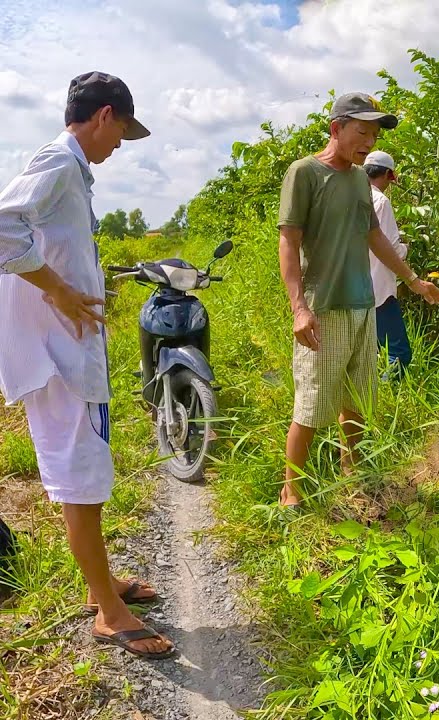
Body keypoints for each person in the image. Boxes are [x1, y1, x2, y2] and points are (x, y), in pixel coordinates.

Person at [0, 72, 174, 659]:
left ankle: (102, 584)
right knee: (80, 479)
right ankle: (108, 611)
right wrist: (58, 291)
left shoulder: (72, 171)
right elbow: (2, 226)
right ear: (104, 116)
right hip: (57, 356)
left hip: (67, 349)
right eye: (122, 131)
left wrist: (85, 286)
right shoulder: (57, 161)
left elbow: (52, 245)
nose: (120, 144)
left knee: (88, 473)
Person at [278, 93, 439, 507]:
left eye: (374, 135)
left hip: (362, 306)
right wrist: (299, 309)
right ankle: (291, 490)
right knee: (312, 405)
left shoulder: (358, 180)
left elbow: (374, 236)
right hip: (324, 308)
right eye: (362, 132)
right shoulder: (305, 173)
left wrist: (413, 280)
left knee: (357, 399)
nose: (369, 142)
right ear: (336, 128)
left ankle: (351, 472)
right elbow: (288, 242)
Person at [363, 150, 412, 378]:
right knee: (400, 353)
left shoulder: (353, 196)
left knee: (367, 350)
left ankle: (367, 393)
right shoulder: (380, 201)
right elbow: (390, 249)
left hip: (355, 289)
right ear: (386, 175)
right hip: (379, 289)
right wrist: (406, 248)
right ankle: (386, 389)